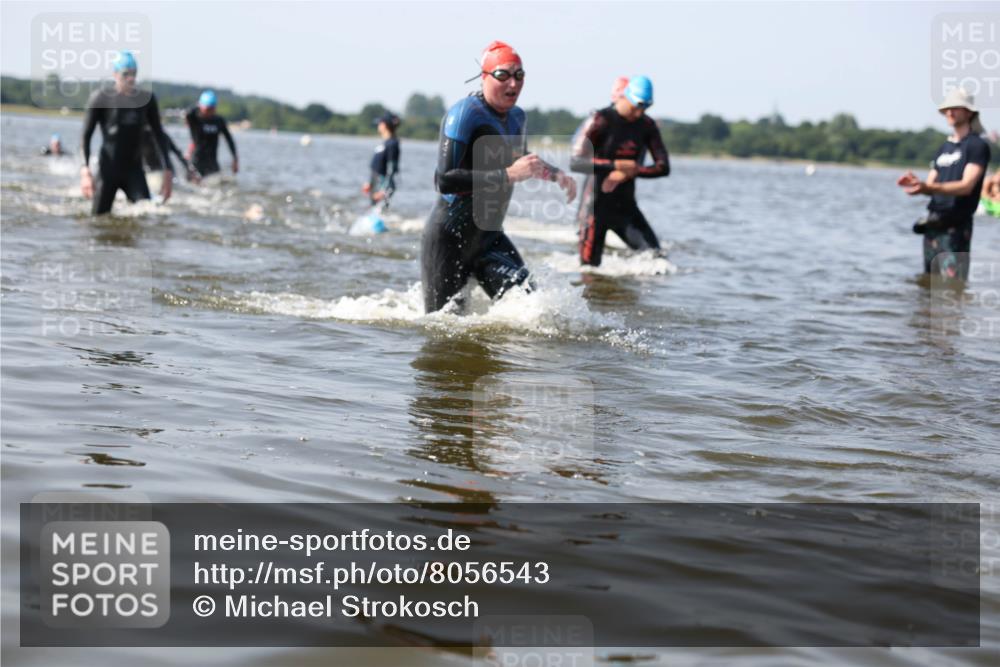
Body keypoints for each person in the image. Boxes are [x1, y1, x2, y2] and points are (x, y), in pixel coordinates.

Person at [421, 40, 576, 313]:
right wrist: (508, 174)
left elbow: (519, 159)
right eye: (503, 75)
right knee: (443, 330)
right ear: (484, 77)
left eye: (519, 75)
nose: (513, 84)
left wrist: (556, 174)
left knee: (534, 311)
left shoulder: (517, 117)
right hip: (449, 239)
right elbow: (444, 179)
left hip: (489, 237)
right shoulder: (465, 114)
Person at [570, 75, 670, 267]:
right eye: (636, 107)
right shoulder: (600, 119)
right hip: (594, 208)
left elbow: (663, 167)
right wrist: (615, 165)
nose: (639, 113)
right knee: (590, 271)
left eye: (645, 108)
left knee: (658, 262)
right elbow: (576, 162)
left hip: (626, 208)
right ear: (625, 97)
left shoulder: (646, 125)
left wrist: (632, 171)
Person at [896, 87, 990, 281]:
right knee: (928, 282)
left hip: (956, 225)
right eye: (947, 108)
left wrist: (928, 187)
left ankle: (954, 312)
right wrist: (917, 185)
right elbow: (930, 184)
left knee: (951, 284)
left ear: (969, 111)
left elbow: (966, 186)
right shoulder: (943, 148)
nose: (950, 112)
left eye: (955, 107)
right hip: (933, 223)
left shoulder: (977, 145)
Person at [79, 51, 173, 215]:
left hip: (134, 170)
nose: (130, 78)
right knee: (98, 219)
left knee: (145, 214)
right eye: (125, 74)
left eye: (134, 74)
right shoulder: (100, 98)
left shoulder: (146, 100)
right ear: (115, 74)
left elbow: (159, 135)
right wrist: (85, 171)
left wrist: (168, 171)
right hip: (108, 169)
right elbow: (85, 136)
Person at [185, 90, 238, 177]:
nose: (210, 112)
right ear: (201, 107)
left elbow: (229, 139)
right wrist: (199, 105)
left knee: (217, 185)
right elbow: (188, 112)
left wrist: (235, 159)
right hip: (196, 161)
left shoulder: (218, 121)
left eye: (212, 109)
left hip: (212, 162)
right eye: (207, 109)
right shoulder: (194, 119)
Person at [362, 112, 400, 206]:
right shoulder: (385, 143)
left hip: (383, 190)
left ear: (384, 125)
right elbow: (377, 167)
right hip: (375, 186)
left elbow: (391, 169)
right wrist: (370, 183)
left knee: (381, 214)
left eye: (379, 123)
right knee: (372, 211)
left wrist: (384, 190)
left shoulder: (392, 144)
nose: (378, 125)